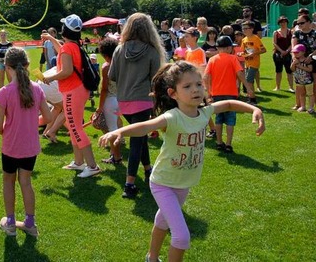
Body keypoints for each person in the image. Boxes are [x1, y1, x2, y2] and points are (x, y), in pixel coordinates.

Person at [99, 61, 265, 262]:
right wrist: (119, 131)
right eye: (187, 86)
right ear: (173, 93)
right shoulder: (172, 117)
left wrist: (254, 110)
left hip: (183, 182)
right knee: (182, 237)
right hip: (163, 182)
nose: (195, 90)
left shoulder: (205, 113)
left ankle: (151, 258)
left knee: (163, 220)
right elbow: (144, 126)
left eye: (198, 84)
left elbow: (229, 104)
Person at [0, 47, 51, 237]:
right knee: (25, 182)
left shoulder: (5, 92)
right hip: (29, 147)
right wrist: (31, 124)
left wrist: (8, 131)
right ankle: (30, 223)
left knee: (8, 182)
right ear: (27, 66)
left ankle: (10, 223)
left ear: (7, 67)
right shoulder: (37, 89)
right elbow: (49, 117)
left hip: (10, 146)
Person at [108, 13, 165, 197]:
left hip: (123, 101)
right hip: (142, 100)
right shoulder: (152, 51)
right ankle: (129, 184)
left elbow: (112, 76)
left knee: (140, 137)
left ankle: (148, 168)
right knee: (137, 141)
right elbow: (156, 80)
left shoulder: (119, 49)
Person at [41, 14, 101, 178]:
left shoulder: (69, 47)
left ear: (65, 29)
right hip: (79, 90)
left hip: (72, 91)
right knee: (75, 126)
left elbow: (66, 71)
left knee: (75, 127)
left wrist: (49, 78)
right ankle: (78, 162)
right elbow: (63, 52)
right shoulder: (74, 45)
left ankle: (92, 165)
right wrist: (51, 38)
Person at [204, 36, 254, 152]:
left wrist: (208, 92)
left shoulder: (212, 60)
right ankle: (228, 144)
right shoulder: (233, 58)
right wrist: (248, 88)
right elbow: (240, 74)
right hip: (231, 94)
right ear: (227, 48)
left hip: (217, 94)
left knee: (219, 118)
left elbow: (206, 77)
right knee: (230, 119)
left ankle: (219, 142)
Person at [96, 37, 123, 165]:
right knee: (116, 126)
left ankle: (116, 157)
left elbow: (104, 89)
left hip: (111, 100)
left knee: (112, 130)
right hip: (122, 99)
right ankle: (115, 154)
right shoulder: (124, 63)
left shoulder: (106, 66)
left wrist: (100, 107)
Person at [238, 21, 266, 104]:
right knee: (249, 81)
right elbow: (243, 51)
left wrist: (254, 53)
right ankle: (251, 98)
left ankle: (252, 99)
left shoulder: (256, 38)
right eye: (243, 28)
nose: (244, 30)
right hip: (247, 63)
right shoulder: (244, 39)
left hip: (254, 63)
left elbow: (263, 50)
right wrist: (240, 54)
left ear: (252, 29)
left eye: (246, 28)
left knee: (248, 81)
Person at [272, 16, 294, 92]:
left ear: (287, 22)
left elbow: (292, 43)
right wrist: (281, 51)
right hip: (278, 54)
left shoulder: (291, 32)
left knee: (289, 71)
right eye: (281, 22)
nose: (283, 23)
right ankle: (277, 87)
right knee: (278, 71)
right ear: (279, 23)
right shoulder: (276, 32)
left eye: (284, 22)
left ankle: (291, 87)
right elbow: (274, 43)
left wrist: (287, 51)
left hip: (288, 54)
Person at [290, 44, 314, 113]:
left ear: (303, 52)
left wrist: (300, 66)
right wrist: (293, 64)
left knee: (310, 94)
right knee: (302, 94)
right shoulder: (294, 60)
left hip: (308, 81)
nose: (295, 54)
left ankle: (311, 108)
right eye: (294, 52)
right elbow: (292, 69)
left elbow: (310, 69)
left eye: (297, 52)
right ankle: (303, 106)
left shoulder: (307, 60)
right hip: (299, 81)